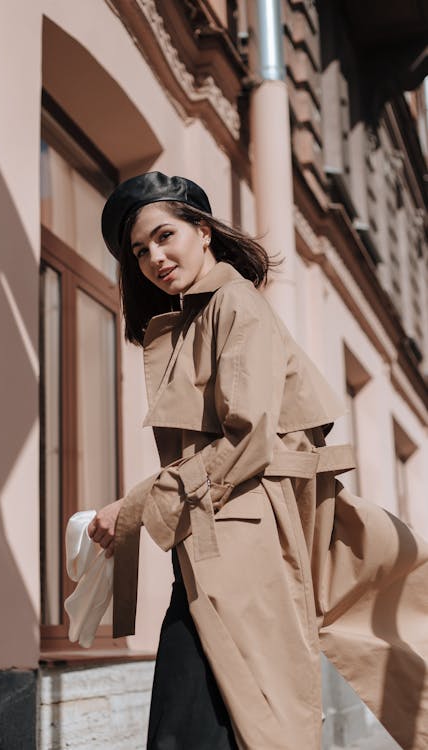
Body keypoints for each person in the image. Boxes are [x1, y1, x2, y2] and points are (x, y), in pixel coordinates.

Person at [88, 171, 428, 750]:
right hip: (212, 538)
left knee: (230, 724)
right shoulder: (194, 317)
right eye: (140, 251)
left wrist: (135, 505)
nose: (154, 258)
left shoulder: (233, 302)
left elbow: (248, 437)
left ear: (203, 232)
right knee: (201, 727)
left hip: (245, 545)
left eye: (165, 236)